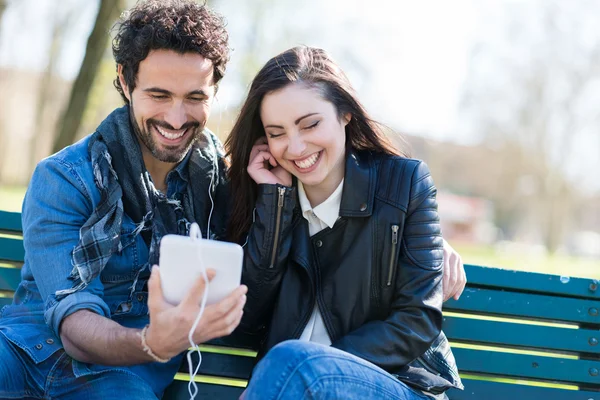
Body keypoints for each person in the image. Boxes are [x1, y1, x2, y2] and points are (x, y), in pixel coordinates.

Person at [0, 1, 247, 399]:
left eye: (195, 97)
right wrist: (152, 343)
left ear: (215, 91)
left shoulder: (226, 186)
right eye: (159, 94)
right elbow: (75, 321)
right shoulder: (65, 178)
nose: (176, 117)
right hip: (25, 350)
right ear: (125, 81)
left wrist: (276, 192)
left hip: (121, 377)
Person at [226, 46, 464, 399]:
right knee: (293, 366)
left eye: (310, 124)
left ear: (345, 113)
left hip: (395, 386)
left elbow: (417, 322)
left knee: (296, 364)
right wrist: (274, 207)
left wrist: (320, 362)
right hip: (289, 387)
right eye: (276, 133)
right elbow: (243, 326)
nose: (295, 147)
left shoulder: (404, 184)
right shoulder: (266, 202)